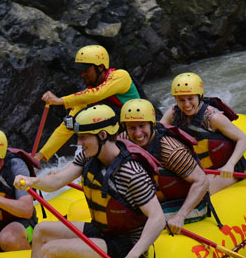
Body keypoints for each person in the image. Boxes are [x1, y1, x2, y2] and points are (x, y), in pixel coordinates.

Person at [15, 104, 165, 258]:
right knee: (41, 230)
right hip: (103, 232)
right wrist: (31, 181)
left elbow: (157, 218)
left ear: (102, 135)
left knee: (51, 249)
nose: (79, 143)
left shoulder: (131, 171)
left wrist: (133, 255)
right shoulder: (87, 158)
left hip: (128, 244)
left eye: (83, 137)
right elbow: (57, 181)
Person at [34, 45, 141, 162]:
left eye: (86, 70)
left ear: (100, 67)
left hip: (141, 127)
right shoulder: (87, 95)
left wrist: (61, 100)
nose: (82, 74)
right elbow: (66, 126)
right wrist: (41, 155)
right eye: (81, 71)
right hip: (118, 138)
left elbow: (98, 94)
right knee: (72, 122)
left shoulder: (120, 76)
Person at [119, 99, 211, 234]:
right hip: (156, 202)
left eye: (142, 126)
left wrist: (180, 215)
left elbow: (202, 181)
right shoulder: (124, 140)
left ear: (152, 124)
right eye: (132, 127)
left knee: (137, 224)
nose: (138, 134)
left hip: (187, 204)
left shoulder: (170, 150)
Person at [160, 73, 246, 194]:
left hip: (225, 169)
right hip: (196, 169)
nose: (186, 104)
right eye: (181, 100)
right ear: (176, 99)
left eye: (190, 98)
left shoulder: (213, 118)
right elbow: (157, 136)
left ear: (199, 96)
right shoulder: (173, 114)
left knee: (198, 193)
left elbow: (243, 139)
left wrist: (230, 165)